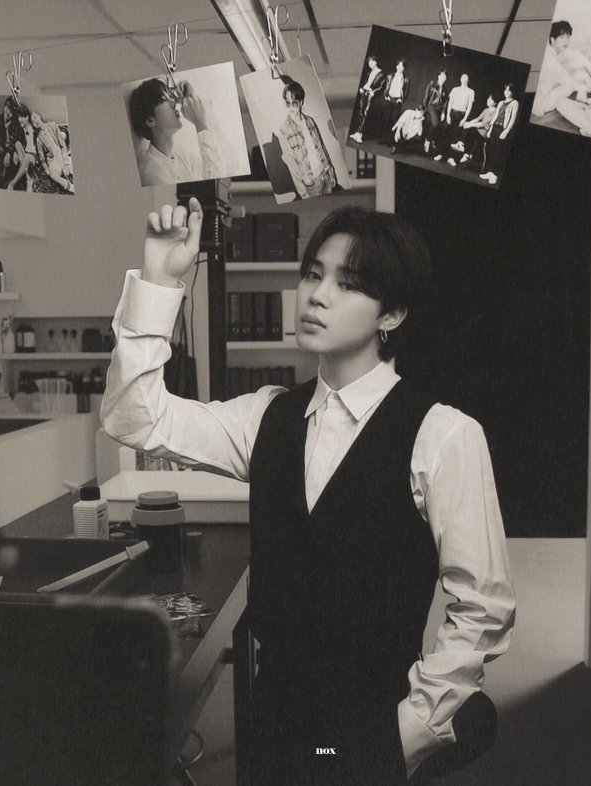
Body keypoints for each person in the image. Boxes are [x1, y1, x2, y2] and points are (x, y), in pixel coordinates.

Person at [101, 198, 514, 785]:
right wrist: (159, 281)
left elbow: (483, 604)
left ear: (392, 314)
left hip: (371, 722)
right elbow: (134, 418)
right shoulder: (266, 416)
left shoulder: (444, 434)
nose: (317, 295)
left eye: (348, 284)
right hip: (272, 715)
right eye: (314, 274)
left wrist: (410, 732)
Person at [127, 78, 231, 186]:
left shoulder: (180, 154)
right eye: (164, 99)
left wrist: (192, 97)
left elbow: (227, 167)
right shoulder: (151, 174)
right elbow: (213, 187)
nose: (173, 102)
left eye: (170, 97)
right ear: (150, 120)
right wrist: (201, 126)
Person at [275, 76, 338, 199]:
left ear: (301, 102)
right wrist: (303, 192)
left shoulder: (310, 121)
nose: (291, 107)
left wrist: (331, 172)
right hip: (311, 184)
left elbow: (321, 147)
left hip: (325, 176)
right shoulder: (284, 131)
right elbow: (292, 165)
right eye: (287, 103)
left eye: (294, 103)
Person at [533, 21, 591, 117]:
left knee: (574, 71)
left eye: (568, 37)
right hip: (541, 103)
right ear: (552, 39)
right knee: (572, 83)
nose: (566, 41)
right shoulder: (551, 61)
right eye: (562, 37)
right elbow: (571, 82)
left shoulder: (550, 51)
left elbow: (573, 57)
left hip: (539, 95)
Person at [480, 84, 519, 185]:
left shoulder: (515, 103)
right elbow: (496, 116)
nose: (506, 92)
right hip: (495, 128)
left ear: (513, 92)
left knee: (499, 151)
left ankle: (495, 175)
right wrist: (490, 129)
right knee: (492, 150)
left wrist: (507, 130)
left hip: (503, 129)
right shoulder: (501, 102)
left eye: (509, 90)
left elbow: (513, 118)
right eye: (505, 90)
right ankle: (490, 172)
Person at [430, 73, 473, 160]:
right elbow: (450, 102)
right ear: (460, 79)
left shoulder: (471, 92)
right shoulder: (455, 89)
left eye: (466, 78)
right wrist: (448, 115)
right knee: (444, 132)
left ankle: (451, 158)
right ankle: (440, 154)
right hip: (452, 113)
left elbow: (469, 107)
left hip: (461, 115)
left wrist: (464, 119)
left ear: (468, 80)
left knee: (455, 136)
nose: (464, 79)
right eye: (462, 77)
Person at [31, 111, 75, 193]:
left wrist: (65, 163)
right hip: (53, 160)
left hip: (62, 155)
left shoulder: (53, 125)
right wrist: (48, 170)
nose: (35, 122)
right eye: (33, 122)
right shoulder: (38, 139)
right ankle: (71, 188)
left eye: (35, 118)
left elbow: (63, 145)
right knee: (53, 175)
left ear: (39, 116)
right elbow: (42, 159)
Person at [449, 94, 498, 168]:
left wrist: (470, 125)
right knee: (465, 126)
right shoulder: (486, 110)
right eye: (488, 98)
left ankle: (466, 152)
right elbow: (477, 119)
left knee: (471, 130)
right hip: (478, 131)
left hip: (484, 134)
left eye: (490, 99)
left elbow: (483, 124)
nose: (488, 100)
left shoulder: (495, 112)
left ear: (495, 103)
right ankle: (461, 146)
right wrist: (468, 123)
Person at [350, 56, 387, 143]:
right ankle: (357, 132)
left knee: (366, 113)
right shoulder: (369, 72)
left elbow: (382, 87)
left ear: (376, 62)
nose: (370, 64)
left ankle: (360, 134)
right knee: (360, 112)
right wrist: (362, 88)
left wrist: (373, 91)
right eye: (369, 62)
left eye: (372, 61)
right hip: (364, 93)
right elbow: (366, 82)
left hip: (371, 95)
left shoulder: (381, 74)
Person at [375, 59, 410, 145]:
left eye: (402, 66)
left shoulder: (406, 79)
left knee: (394, 120)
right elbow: (386, 87)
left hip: (397, 101)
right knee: (386, 119)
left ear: (404, 68)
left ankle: (390, 140)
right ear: (396, 66)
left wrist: (401, 100)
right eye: (399, 65)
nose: (400, 67)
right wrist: (385, 96)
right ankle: (384, 139)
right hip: (389, 99)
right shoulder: (390, 76)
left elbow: (406, 91)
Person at [420, 70, 448, 155]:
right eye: (442, 75)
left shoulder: (445, 89)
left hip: (439, 109)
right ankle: (428, 141)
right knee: (435, 124)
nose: (443, 77)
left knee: (441, 125)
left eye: (445, 76)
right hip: (431, 106)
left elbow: (445, 103)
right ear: (438, 76)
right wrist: (425, 109)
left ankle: (434, 143)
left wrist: (443, 113)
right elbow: (426, 96)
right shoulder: (432, 84)